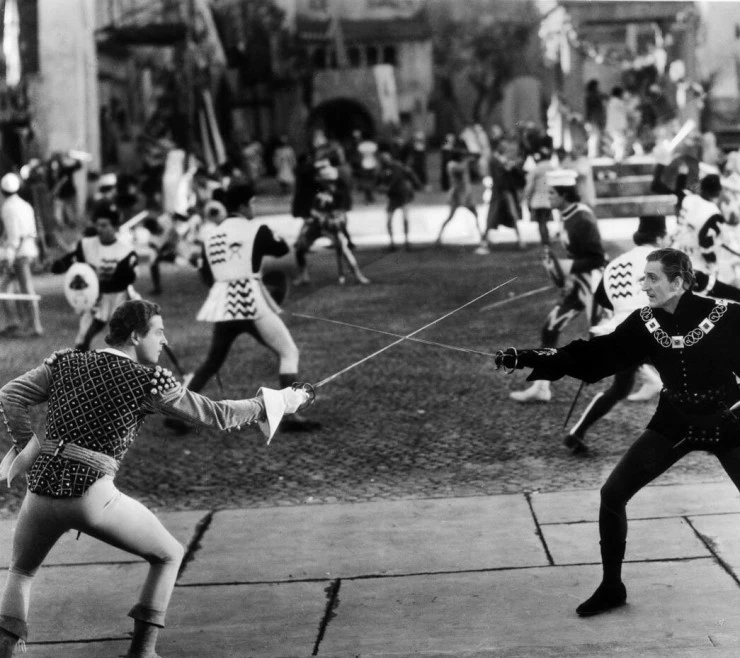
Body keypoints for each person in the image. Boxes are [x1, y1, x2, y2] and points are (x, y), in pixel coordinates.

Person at [0, 299, 313, 658]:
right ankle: (143, 653)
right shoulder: (148, 381)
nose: (165, 341)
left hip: (39, 492)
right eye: (159, 333)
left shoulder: (66, 362)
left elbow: (10, 394)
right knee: (169, 554)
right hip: (91, 495)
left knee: (21, 572)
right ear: (136, 336)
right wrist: (277, 402)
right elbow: (216, 414)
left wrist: (29, 447)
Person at [495, 248, 740, 617]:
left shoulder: (727, 316)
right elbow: (596, 354)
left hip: (726, 421)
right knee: (612, 494)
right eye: (644, 277)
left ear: (678, 282)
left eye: (652, 278)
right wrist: (529, 357)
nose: (643, 285)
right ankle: (612, 588)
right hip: (674, 419)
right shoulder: (644, 322)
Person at [168, 182, 320, 434]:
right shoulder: (255, 228)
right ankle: (291, 415)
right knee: (288, 352)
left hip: (223, 303)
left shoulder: (211, 235)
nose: (253, 208)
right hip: (250, 300)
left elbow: (206, 274)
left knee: (212, 362)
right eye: (252, 204)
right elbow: (282, 248)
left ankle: (179, 411)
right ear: (242, 205)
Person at [562, 215, 670, 454]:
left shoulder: (616, 264)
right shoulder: (664, 261)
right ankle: (712, 433)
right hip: (653, 333)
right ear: (660, 237)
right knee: (691, 378)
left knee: (620, 388)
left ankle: (577, 432)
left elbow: (602, 298)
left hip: (621, 333)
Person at [510, 169, 606, 403]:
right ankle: (542, 387)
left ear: (564, 194)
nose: (548, 198)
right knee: (550, 328)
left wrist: (566, 267)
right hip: (579, 285)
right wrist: (569, 276)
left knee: (610, 339)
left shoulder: (582, 219)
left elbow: (597, 259)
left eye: (552, 193)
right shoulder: (567, 214)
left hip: (595, 288)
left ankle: (653, 379)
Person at [51, 201, 139, 350]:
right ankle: (82, 363)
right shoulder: (87, 245)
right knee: (83, 339)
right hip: (97, 298)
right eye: (98, 225)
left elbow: (128, 279)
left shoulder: (125, 251)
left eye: (104, 225)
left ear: (115, 227)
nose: (99, 229)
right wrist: (59, 265)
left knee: (130, 340)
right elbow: (73, 260)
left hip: (120, 297)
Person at [293, 163, 370, 286]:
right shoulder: (315, 191)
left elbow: (340, 213)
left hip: (331, 226)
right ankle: (303, 276)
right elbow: (312, 210)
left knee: (344, 249)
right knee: (300, 248)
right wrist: (314, 217)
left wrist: (332, 220)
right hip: (316, 225)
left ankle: (358, 275)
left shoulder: (339, 194)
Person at [0, 173, 43, 337]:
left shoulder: (8, 208)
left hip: (19, 253)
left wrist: (8, 257)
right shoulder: (25, 205)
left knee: (23, 288)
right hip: (29, 249)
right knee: (14, 288)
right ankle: (19, 323)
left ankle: (32, 325)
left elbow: (14, 236)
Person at [436, 144, 483, 248]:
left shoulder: (461, 163)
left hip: (466, 193)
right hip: (457, 194)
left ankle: (481, 235)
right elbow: (459, 169)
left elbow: (476, 158)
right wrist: (467, 160)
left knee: (475, 214)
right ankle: (439, 236)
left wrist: (472, 157)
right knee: (450, 216)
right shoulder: (452, 165)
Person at [378, 151, 420, 252]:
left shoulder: (395, 166)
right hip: (395, 196)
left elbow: (406, 175)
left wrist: (416, 184)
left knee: (402, 218)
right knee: (392, 219)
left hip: (402, 195)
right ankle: (396, 242)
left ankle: (404, 241)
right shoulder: (386, 168)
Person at [523, 139, 555, 246]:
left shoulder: (536, 169)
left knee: (541, 222)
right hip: (549, 198)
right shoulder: (552, 167)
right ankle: (546, 240)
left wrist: (526, 198)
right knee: (545, 221)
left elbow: (529, 186)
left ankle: (545, 241)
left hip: (538, 200)